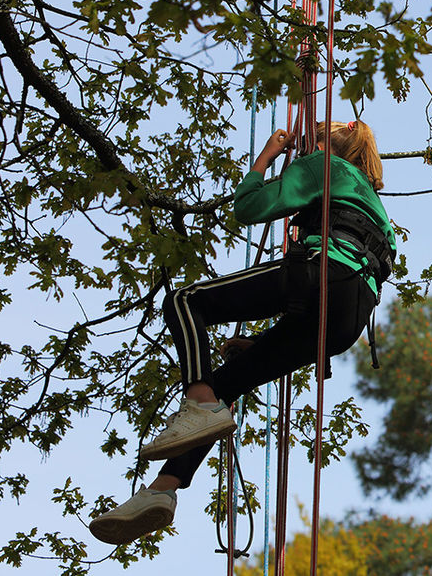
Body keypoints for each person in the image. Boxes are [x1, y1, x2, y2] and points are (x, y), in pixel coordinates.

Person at [89, 121, 397, 544]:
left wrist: (268, 158)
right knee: (229, 383)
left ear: (322, 144)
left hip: (322, 271)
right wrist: (263, 341)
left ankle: (198, 402)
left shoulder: (322, 163)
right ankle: (162, 491)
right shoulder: (374, 202)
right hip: (349, 315)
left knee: (185, 302)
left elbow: (250, 208)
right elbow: (338, 285)